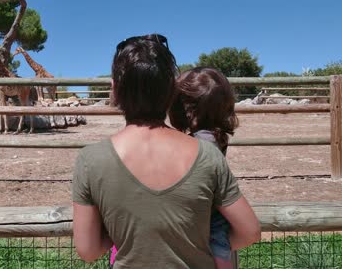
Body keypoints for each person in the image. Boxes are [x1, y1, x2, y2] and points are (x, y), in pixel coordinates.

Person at [72, 34, 261, 268]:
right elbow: (250, 231)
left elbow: (88, 251)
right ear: (172, 91)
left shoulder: (91, 160)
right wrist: (208, 245)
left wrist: (121, 231)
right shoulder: (207, 155)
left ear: (115, 90)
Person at [169, 67, 240, 269]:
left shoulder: (196, 143)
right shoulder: (218, 136)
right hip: (216, 208)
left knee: (215, 233)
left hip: (204, 218)